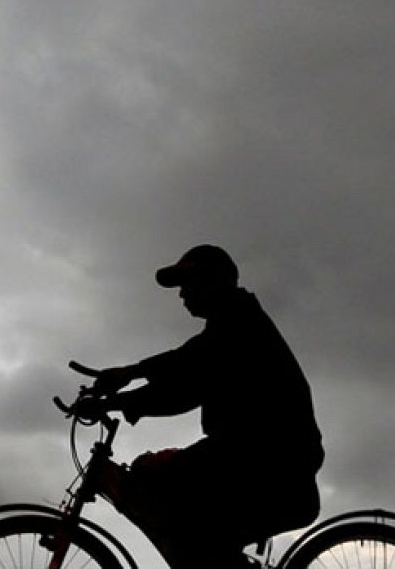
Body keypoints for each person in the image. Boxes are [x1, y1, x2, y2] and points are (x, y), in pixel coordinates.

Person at [80, 244, 324, 569]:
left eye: (188, 283)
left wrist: (121, 390)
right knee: (186, 523)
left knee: (164, 489)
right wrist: (125, 386)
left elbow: (187, 373)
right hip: (262, 462)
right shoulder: (232, 322)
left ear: (214, 281)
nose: (182, 294)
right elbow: (184, 385)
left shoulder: (238, 323)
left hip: (270, 463)